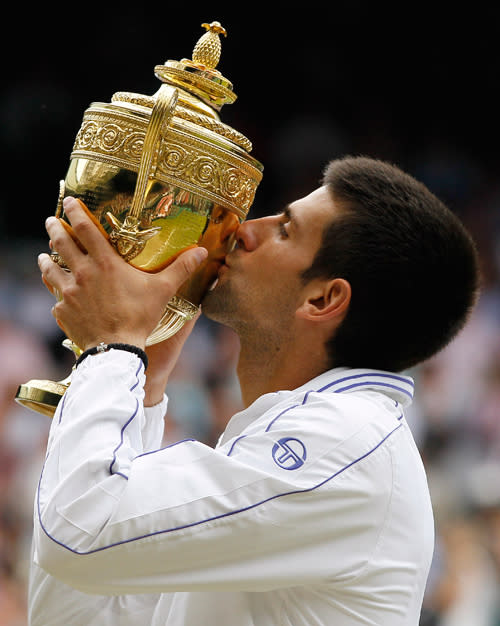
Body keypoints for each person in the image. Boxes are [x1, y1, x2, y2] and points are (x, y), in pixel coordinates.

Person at [29, 156, 480, 625]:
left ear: (323, 299)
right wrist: (143, 387)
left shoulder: (344, 441)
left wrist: (112, 347)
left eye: (285, 229)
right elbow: (77, 604)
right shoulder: (300, 431)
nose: (244, 230)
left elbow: (76, 538)